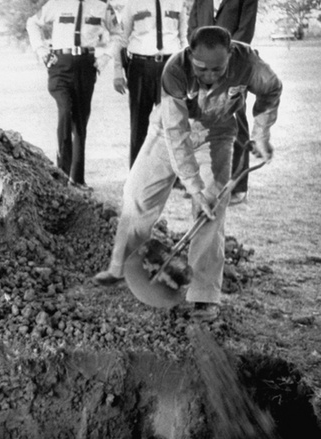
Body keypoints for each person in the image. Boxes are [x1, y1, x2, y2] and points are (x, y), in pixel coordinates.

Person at [92, 26, 281, 321]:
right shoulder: (175, 70)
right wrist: (192, 185)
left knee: (211, 209)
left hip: (217, 136)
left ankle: (204, 295)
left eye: (218, 68)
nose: (210, 75)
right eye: (202, 68)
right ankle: (123, 268)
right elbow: (177, 135)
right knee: (136, 195)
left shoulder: (248, 62)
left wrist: (261, 133)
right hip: (168, 132)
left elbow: (271, 89)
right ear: (190, 54)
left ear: (230, 54)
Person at [26, 0, 120, 190]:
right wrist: (41, 49)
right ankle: (62, 174)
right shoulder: (57, 3)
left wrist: (106, 56)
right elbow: (32, 23)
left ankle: (77, 178)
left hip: (85, 66)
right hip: (60, 64)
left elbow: (119, 34)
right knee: (65, 110)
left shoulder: (102, 6)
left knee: (80, 122)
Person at [188, 0, 258, 205]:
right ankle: (207, 184)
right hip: (203, 66)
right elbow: (192, 26)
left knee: (236, 123)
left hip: (233, 66)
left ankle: (239, 187)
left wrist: (222, 58)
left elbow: (245, 31)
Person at [112, 0, 187, 167]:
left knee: (171, 123)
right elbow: (120, 39)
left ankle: (171, 176)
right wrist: (117, 71)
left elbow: (184, 38)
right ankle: (137, 173)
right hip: (141, 67)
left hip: (170, 66)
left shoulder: (177, 3)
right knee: (139, 124)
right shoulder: (133, 4)